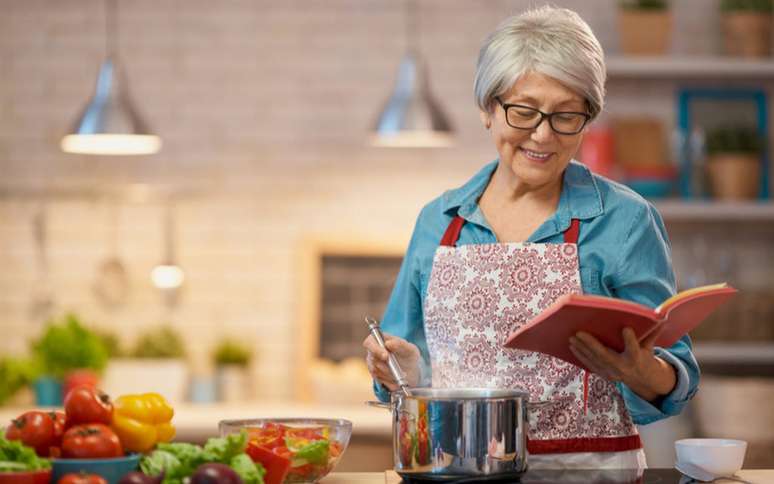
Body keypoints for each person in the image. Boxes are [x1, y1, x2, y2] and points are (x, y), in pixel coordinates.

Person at [363, 5, 699, 470]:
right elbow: (404, 372)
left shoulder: (625, 221)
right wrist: (392, 365)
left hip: (588, 476)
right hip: (463, 472)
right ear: (488, 110)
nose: (543, 135)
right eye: (524, 111)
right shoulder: (438, 222)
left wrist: (647, 374)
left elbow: (675, 371)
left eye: (566, 116)